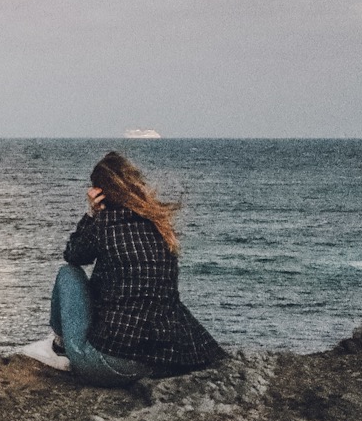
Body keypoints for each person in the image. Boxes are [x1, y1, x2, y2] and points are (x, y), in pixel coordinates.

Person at [43, 151, 225, 385]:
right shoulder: (160, 225)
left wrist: (91, 214)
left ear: (100, 192)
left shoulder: (105, 224)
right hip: (154, 362)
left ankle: (58, 346)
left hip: (107, 364)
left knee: (68, 273)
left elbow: (73, 256)